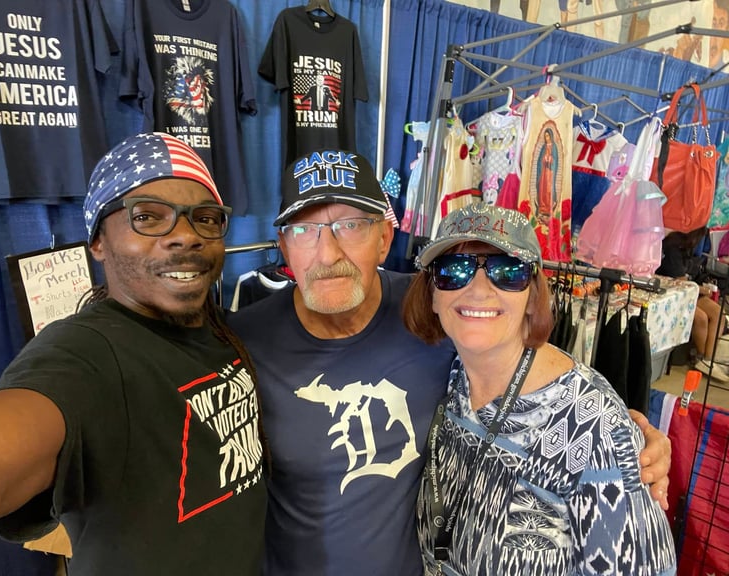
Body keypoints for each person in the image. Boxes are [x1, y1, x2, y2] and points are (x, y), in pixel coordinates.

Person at [227, 148, 672, 576]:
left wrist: (617, 432)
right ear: (283, 245)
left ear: (384, 239)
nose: (327, 253)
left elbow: (537, 369)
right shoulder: (242, 342)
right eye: (304, 230)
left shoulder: (436, 318)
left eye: (351, 226)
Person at [0, 133, 267, 574]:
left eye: (205, 218)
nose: (185, 236)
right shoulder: (87, 352)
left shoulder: (225, 330)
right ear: (98, 242)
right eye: (147, 217)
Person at [402, 202, 677, 575]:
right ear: (433, 295)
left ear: (532, 296)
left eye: (507, 271)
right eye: (454, 270)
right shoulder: (449, 377)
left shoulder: (591, 426)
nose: (478, 290)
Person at [656, 227, 728, 382]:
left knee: (719, 314)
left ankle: (709, 359)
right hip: (673, 292)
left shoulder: (693, 251)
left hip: (691, 290)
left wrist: (704, 287)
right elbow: (680, 282)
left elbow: (694, 276)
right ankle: (701, 358)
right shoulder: (673, 248)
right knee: (701, 318)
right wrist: (702, 289)